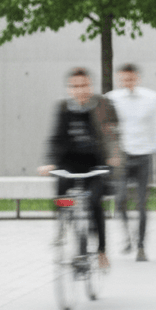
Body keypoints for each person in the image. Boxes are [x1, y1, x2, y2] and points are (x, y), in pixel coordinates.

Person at [40, 68, 120, 270]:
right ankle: (62, 223)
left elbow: (112, 135)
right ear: (69, 89)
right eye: (74, 86)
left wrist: (114, 155)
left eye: (84, 85)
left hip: (95, 164)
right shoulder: (63, 108)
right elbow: (55, 138)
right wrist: (50, 162)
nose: (79, 90)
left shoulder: (102, 105)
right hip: (69, 163)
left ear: (90, 86)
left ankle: (101, 251)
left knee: (94, 202)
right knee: (62, 193)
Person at [106, 63, 156, 262]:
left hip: (144, 156)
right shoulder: (111, 99)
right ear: (119, 79)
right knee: (120, 200)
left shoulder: (152, 98)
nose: (128, 83)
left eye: (131, 79)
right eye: (124, 79)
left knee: (142, 203)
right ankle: (127, 236)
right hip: (121, 157)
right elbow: (106, 130)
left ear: (138, 78)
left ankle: (141, 246)